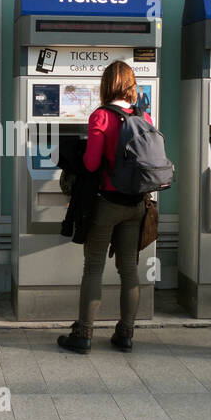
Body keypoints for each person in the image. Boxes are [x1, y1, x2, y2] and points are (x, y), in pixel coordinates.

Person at [57, 60, 151, 355]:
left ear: (106, 84)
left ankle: (83, 333)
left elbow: (91, 163)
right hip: (137, 204)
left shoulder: (101, 116)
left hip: (108, 203)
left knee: (94, 267)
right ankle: (125, 334)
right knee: (129, 269)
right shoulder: (143, 115)